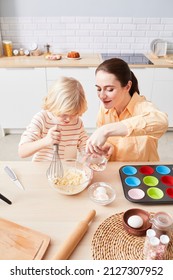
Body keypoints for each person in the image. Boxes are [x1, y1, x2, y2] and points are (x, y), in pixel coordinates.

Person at [86, 58, 168, 161]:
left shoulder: (142, 107)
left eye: (110, 89)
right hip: (115, 169)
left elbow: (162, 121)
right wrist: (107, 145)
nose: (102, 96)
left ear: (127, 86)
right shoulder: (105, 109)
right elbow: (108, 140)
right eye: (98, 89)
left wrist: (106, 130)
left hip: (141, 173)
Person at [18, 76, 88, 161]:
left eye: (74, 114)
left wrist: (88, 153)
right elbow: (22, 151)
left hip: (67, 170)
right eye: (64, 114)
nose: (68, 119)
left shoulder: (77, 123)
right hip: (43, 169)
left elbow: (84, 146)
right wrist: (46, 140)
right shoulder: (41, 119)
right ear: (54, 105)